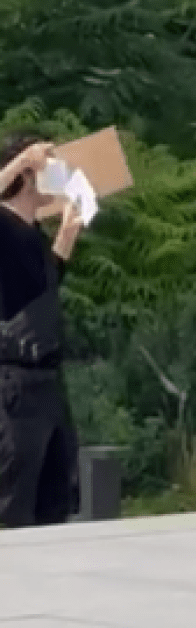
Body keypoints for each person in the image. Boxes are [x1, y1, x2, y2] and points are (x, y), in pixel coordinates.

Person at [0, 131, 86, 528]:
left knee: (56, 496)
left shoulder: (32, 232)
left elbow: (42, 289)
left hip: (49, 378)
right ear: (30, 174)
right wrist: (21, 161)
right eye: (50, 164)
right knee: (13, 499)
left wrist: (66, 236)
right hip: (14, 380)